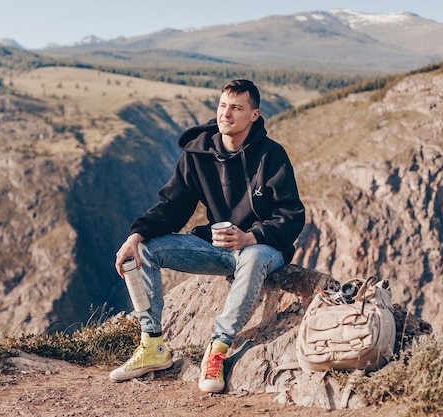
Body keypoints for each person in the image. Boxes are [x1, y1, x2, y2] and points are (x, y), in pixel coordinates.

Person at [109, 79, 305, 393]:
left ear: (254, 115)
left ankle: (217, 349)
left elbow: (292, 215)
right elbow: (173, 205)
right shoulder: (199, 153)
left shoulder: (271, 155)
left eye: (236, 108)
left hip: (263, 247)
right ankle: (152, 346)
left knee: (253, 257)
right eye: (223, 106)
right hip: (217, 247)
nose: (226, 114)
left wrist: (251, 237)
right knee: (146, 249)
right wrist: (136, 235)